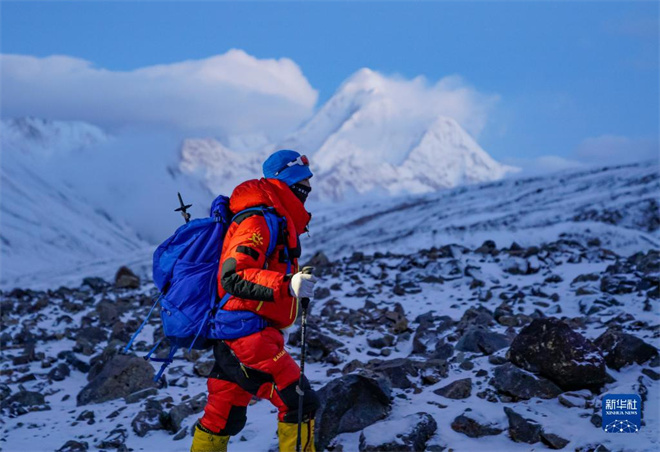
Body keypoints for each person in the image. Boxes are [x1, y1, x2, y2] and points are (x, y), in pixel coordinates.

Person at [190, 150, 320, 452]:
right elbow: (233, 277)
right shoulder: (258, 220)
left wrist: (293, 289)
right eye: (303, 181)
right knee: (299, 402)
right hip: (246, 334)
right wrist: (288, 284)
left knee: (223, 417)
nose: (309, 188)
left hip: (241, 330)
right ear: (287, 181)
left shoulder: (276, 218)